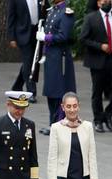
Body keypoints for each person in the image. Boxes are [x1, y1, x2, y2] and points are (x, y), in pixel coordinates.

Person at [80, 0, 112, 133]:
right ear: (98, 3)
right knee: (98, 91)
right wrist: (100, 46)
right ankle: (98, 120)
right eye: (103, 0)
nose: (107, 2)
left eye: (108, 0)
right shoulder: (91, 18)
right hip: (97, 60)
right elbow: (83, 39)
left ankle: (108, 115)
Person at [37, 0, 76, 136]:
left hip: (60, 58)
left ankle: (60, 124)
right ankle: (53, 123)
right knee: (51, 92)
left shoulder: (66, 13)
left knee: (60, 93)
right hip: (51, 56)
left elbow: (63, 36)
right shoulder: (53, 10)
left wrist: (46, 37)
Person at [8, 0, 45, 103]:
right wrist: (12, 38)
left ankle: (17, 85)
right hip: (23, 33)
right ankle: (31, 92)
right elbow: (11, 17)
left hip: (37, 32)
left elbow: (45, 11)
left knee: (32, 61)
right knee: (29, 62)